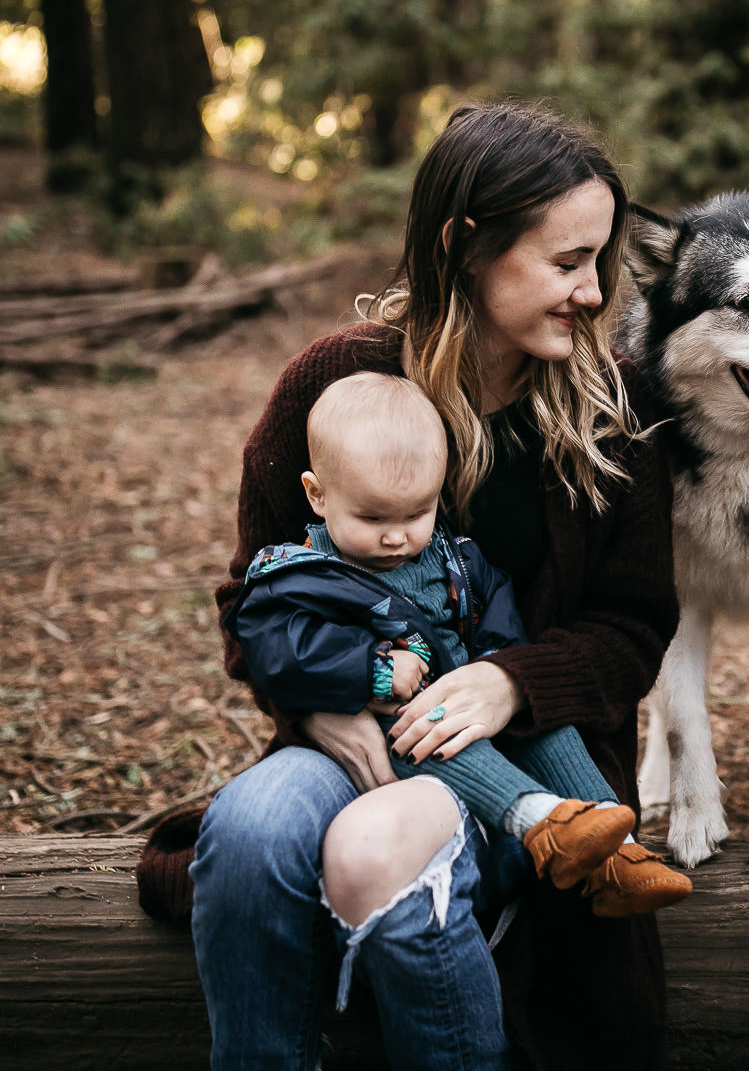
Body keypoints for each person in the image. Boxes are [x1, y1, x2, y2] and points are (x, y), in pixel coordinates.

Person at [134, 101, 680, 1071]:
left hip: (536, 781)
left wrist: (512, 682)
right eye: (566, 263)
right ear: (464, 247)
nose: (594, 293)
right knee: (253, 828)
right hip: (360, 736)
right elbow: (253, 599)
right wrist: (326, 706)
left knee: (378, 848)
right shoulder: (333, 388)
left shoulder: (617, 412)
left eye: (600, 261)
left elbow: (634, 628)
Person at [229, 370, 691, 930]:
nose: (396, 537)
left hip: (466, 698)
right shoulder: (302, 576)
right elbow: (281, 652)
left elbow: (496, 613)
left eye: (415, 514)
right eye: (372, 518)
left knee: (546, 725)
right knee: (430, 731)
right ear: (317, 494)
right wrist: (372, 673)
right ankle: (540, 821)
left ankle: (616, 851)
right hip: (396, 721)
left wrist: (502, 671)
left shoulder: (455, 560)